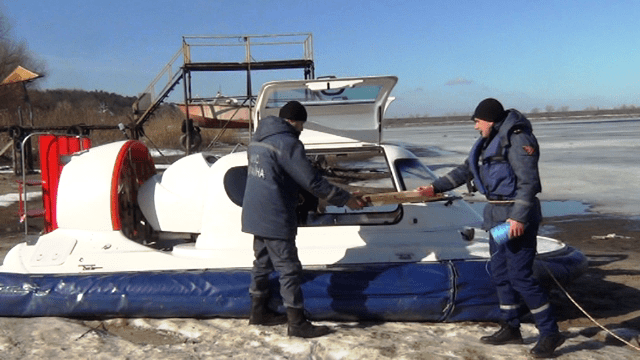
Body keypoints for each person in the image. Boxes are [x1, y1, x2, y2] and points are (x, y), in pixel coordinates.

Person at [417, 98, 564, 358]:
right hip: (496, 219)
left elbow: (529, 183)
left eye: (477, 121)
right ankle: (510, 326)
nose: (475, 126)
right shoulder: (486, 142)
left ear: (490, 120)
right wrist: (435, 188)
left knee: (520, 275)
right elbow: (465, 171)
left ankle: (550, 332)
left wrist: (518, 218)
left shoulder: (517, 140)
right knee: (498, 270)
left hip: (515, 220)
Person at [241, 100, 364, 338]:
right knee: (289, 269)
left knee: (262, 264)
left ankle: (258, 312)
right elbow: (312, 181)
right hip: (275, 214)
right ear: (294, 121)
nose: (303, 129)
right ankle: (297, 323)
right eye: (302, 123)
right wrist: (345, 199)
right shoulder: (287, 143)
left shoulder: (257, 141)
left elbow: (278, 176)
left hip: (254, 212)